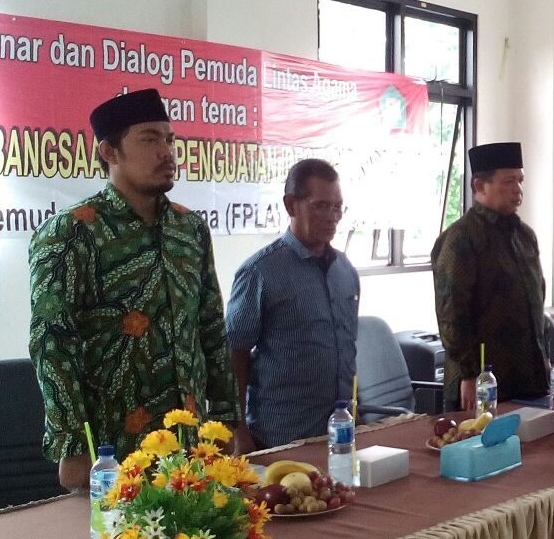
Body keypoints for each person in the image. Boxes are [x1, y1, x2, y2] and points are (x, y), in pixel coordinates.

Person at [29, 88, 239, 490]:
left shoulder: (189, 229)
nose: (167, 152)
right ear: (110, 151)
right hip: (114, 453)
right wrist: (73, 446)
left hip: (190, 445)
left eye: (170, 140)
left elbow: (211, 327)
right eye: (149, 139)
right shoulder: (73, 232)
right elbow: (51, 343)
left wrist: (226, 420)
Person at [225, 159, 359, 451]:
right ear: (290, 205)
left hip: (340, 432)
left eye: (337, 207)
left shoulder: (346, 270)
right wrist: (239, 432)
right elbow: (234, 355)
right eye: (320, 206)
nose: (332, 217)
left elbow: (347, 348)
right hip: (281, 435)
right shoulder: (260, 272)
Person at [431, 141, 549, 411]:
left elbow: (535, 303)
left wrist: (543, 357)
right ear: (479, 186)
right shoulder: (461, 238)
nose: (518, 189)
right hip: (481, 381)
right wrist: (469, 373)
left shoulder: (525, 236)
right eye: (508, 182)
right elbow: (451, 314)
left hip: (527, 376)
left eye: (520, 180)